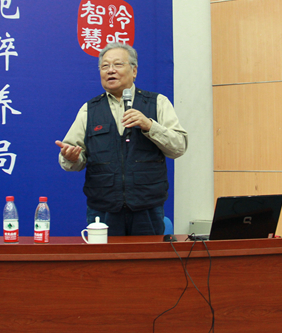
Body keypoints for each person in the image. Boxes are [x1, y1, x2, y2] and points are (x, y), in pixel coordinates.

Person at [55, 42, 188, 236]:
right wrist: (71, 157)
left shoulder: (157, 103)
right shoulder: (89, 109)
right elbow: (72, 159)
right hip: (103, 210)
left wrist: (150, 126)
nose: (110, 70)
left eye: (117, 64)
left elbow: (179, 147)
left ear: (134, 71)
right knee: (105, 257)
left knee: (147, 256)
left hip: (147, 208)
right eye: (105, 66)